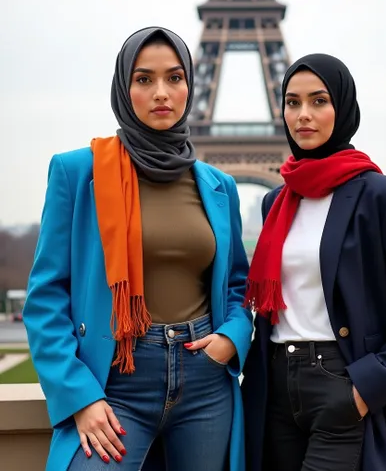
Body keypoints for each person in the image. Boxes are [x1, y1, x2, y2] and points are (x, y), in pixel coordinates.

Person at [22, 26, 252, 471]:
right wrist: (79, 397)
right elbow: (46, 295)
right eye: (144, 79)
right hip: (115, 381)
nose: (161, 92)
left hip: (204, 380)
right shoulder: (79, 173)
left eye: (175, 77)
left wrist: (231, 339)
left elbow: (238, 284)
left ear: (191, 86)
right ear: (124, 88)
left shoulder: (218, 186)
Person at [241, 53, 386, 471]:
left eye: (319, 101)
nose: (303, 115)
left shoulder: (384, 198)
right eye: (292, 102)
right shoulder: (275, 201)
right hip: (275, 387)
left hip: (340, 379)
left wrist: (365, 387)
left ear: (344, 107)